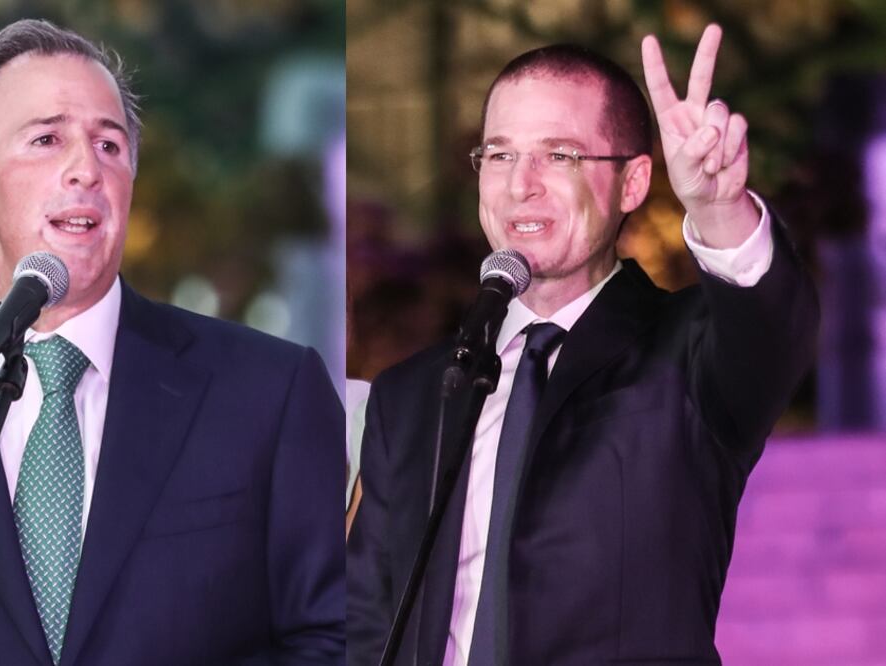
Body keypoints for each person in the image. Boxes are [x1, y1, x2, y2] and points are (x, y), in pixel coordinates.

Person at [0, 19, 344, 665]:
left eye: (109, 145)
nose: (87, 168)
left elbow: (332, 635)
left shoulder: (269, 392)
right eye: (47, 139)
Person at [347, 24, 818, 666]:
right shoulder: (411, 395)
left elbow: (772, 331)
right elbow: (367, 625)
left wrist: (718, 211)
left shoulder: (685, 356)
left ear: (631, 183)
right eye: (499, 155)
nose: (522, 184)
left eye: (560, 155)